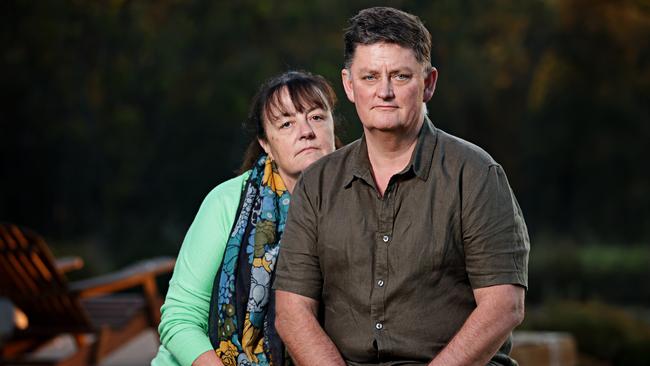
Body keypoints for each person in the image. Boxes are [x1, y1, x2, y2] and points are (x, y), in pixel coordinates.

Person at [273, 7, 530, 366]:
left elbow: (504, 306)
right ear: (349, 85)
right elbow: (292, 311)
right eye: (369, 77)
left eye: (400, 76)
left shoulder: (475, 175)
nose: (385, 92)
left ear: (428, 83)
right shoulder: (318, 183)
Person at [151, 70, 338, 366]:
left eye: (316, 117)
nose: (306, 131)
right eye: (287, 123)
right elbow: (180, 318)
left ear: (332, 126)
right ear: (266, 144)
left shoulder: (356, 202)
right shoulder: (227, 202)